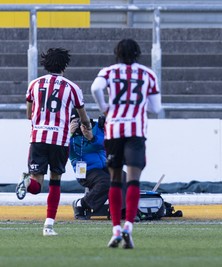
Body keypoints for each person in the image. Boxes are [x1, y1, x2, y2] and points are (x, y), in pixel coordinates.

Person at [91, 38, 162, 248]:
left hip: (114, 131)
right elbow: (156, 108)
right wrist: (139, 105)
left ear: (117, 53)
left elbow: (96, 88)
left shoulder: (109, 71)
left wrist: (105, 107)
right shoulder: (148, 74)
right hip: (136, 131)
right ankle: (129, 226)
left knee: (114, 180)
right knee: (133, 181)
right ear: (138, 53)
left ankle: (115, 229)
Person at [15, 48, 92, 236]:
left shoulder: (34, 84)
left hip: (38, 138)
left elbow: (28, 115)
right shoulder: (72, 87)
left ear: (45, 64)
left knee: (36, 185)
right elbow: (83, 116)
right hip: (59, 140)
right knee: (55, 181)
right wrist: (87, 129)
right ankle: (48, 226)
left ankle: (25, 182)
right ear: (64, 65)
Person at [69, 109, 110, 219]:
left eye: (81, 120)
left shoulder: (96, 128)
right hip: (87, 171)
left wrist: (91, 137)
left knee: (121, 177)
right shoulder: (67, 136)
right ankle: (82, 204)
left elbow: (105, 144)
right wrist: (70, 134)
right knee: (105, 181)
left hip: (104, 166)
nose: (79, 124)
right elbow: (61, 152)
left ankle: (124, 209)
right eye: (74, 121)